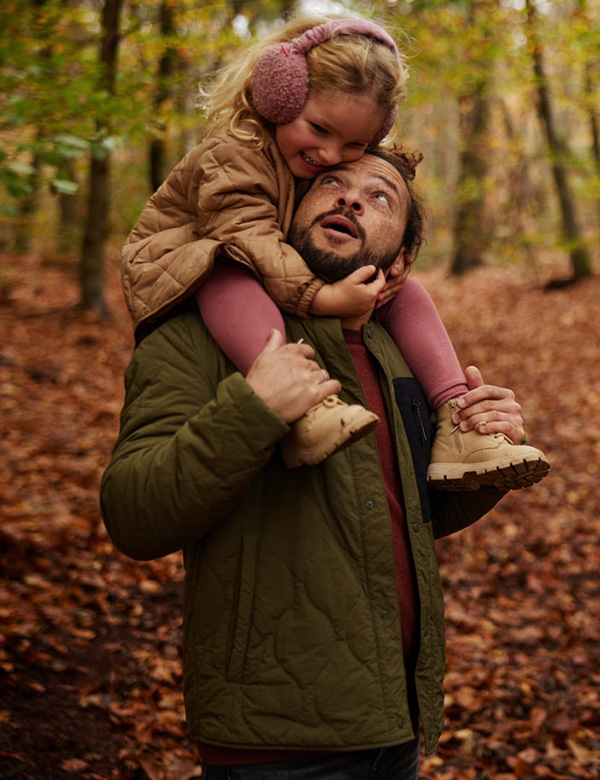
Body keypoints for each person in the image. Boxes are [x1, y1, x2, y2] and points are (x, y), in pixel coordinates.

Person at [101, 149, 549, 779]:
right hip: (272, 744)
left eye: (381, 196)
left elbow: (395, 516)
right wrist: (254, 409)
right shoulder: (195, 337)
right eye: (330, 183)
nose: (350, 198)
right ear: (286, 213)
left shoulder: (400, 354)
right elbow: (132, 515)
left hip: (397, 728)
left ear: (400, 262)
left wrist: (484, 458)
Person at [121, 13, 549, 487]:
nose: (328, 154)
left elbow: (404, 509)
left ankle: (457, 421)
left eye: (353, 143)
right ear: (277, 96)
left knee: (409, 296)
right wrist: (321, 299)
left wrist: (388, 271)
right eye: (319, 130)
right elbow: (249, 238)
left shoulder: (295, 160)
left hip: (269, 265)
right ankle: (300, 399)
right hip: (182, 266)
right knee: (224, 266)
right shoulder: (234, 153)